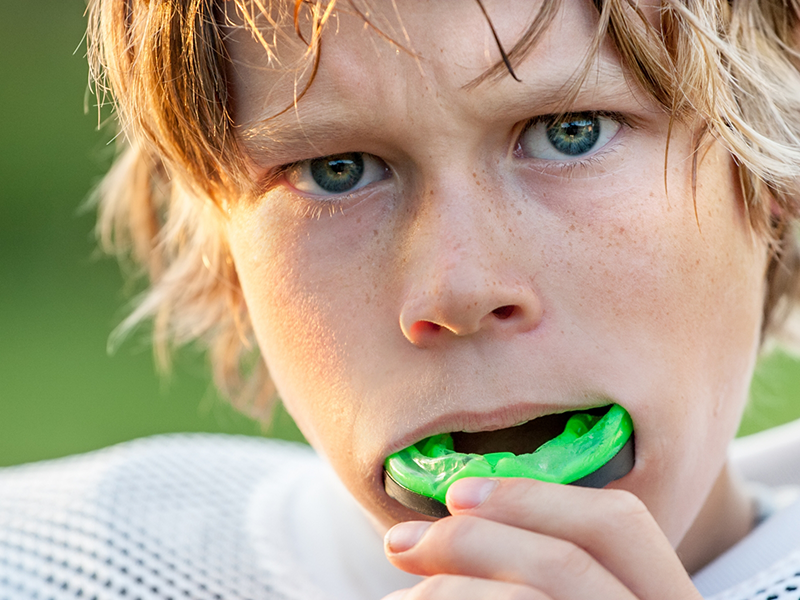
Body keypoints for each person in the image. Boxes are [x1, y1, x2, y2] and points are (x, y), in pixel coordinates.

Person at [3, 0, 800, 598]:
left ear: (771, 177)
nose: (458, 289)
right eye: (337, 170)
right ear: (226, 252)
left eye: (570, 130)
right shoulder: (60, 564)